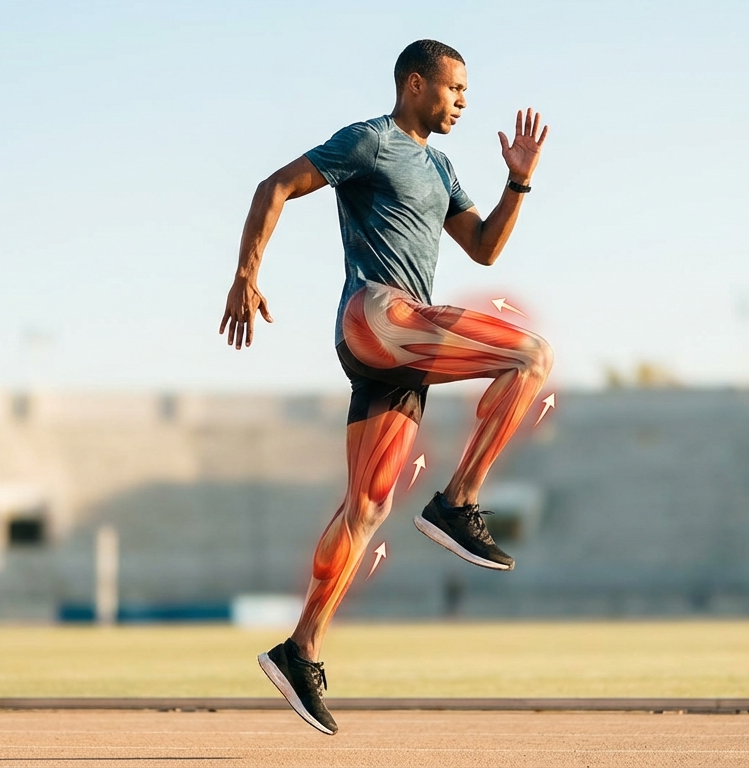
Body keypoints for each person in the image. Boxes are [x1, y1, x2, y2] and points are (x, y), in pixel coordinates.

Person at [219, 39, 551, 735]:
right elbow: (273, 186)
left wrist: (517, 183)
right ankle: (457, 502)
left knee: (366, 509)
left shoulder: (441, 165)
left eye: (466, 91)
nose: (463, 100)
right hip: (378, 317)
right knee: (530, 355)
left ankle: (299, 649)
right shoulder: (370, 141)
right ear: (414, 84)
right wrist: (248, 272)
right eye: (454, 88)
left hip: (396, 357)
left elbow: (484, 246)